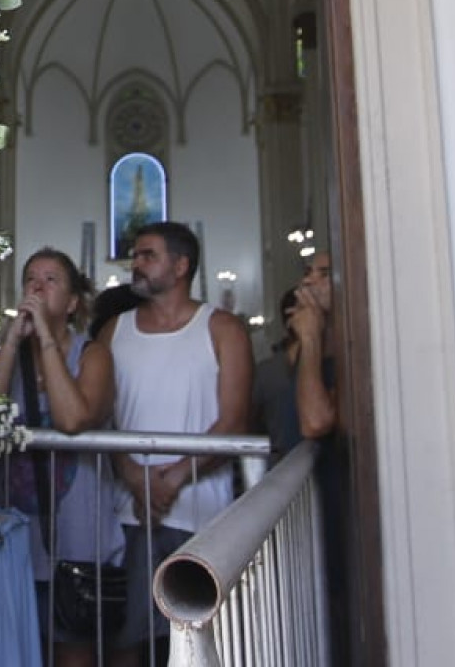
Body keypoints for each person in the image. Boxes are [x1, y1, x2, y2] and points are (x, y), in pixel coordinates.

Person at [102, 222, 253, 665]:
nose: (136, 263)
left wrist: (172, 477)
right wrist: (133, 476)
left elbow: (234, 420)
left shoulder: (222, 328)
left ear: (181, 265)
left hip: (201, 513)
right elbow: (103, 415)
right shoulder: (115, 330)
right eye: (136, 254)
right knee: (129, 640)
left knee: (201, 639)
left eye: (148, 254)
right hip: (129, 514)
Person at [0, 249, 122, 665]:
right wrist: (13, 340)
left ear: (72, 303)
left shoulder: (92, 355)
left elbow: (73, 419)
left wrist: (46, 337)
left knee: (73, 650)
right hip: (15, 533)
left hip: (77, 534)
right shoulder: (6, 353)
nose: (37, 286)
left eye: (51, 280)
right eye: (31, 278)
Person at [253, 249, 336, 456]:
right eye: (308, 272)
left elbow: (315, 423)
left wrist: (309, 337)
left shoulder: (349, 349)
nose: (308, 281)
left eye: (324, 274)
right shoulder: (303, 349)